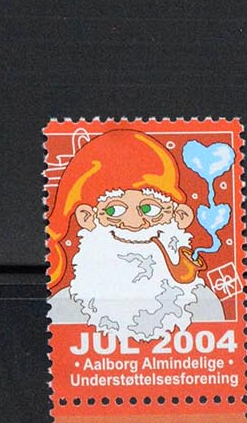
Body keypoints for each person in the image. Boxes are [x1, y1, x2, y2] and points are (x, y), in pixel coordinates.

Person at [46, 127, 223, 341]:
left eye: (150, 209)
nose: (134, 224)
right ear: (87, 218)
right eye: (114, 210)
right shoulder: (63, 309)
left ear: (180, 216)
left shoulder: (203, 306)